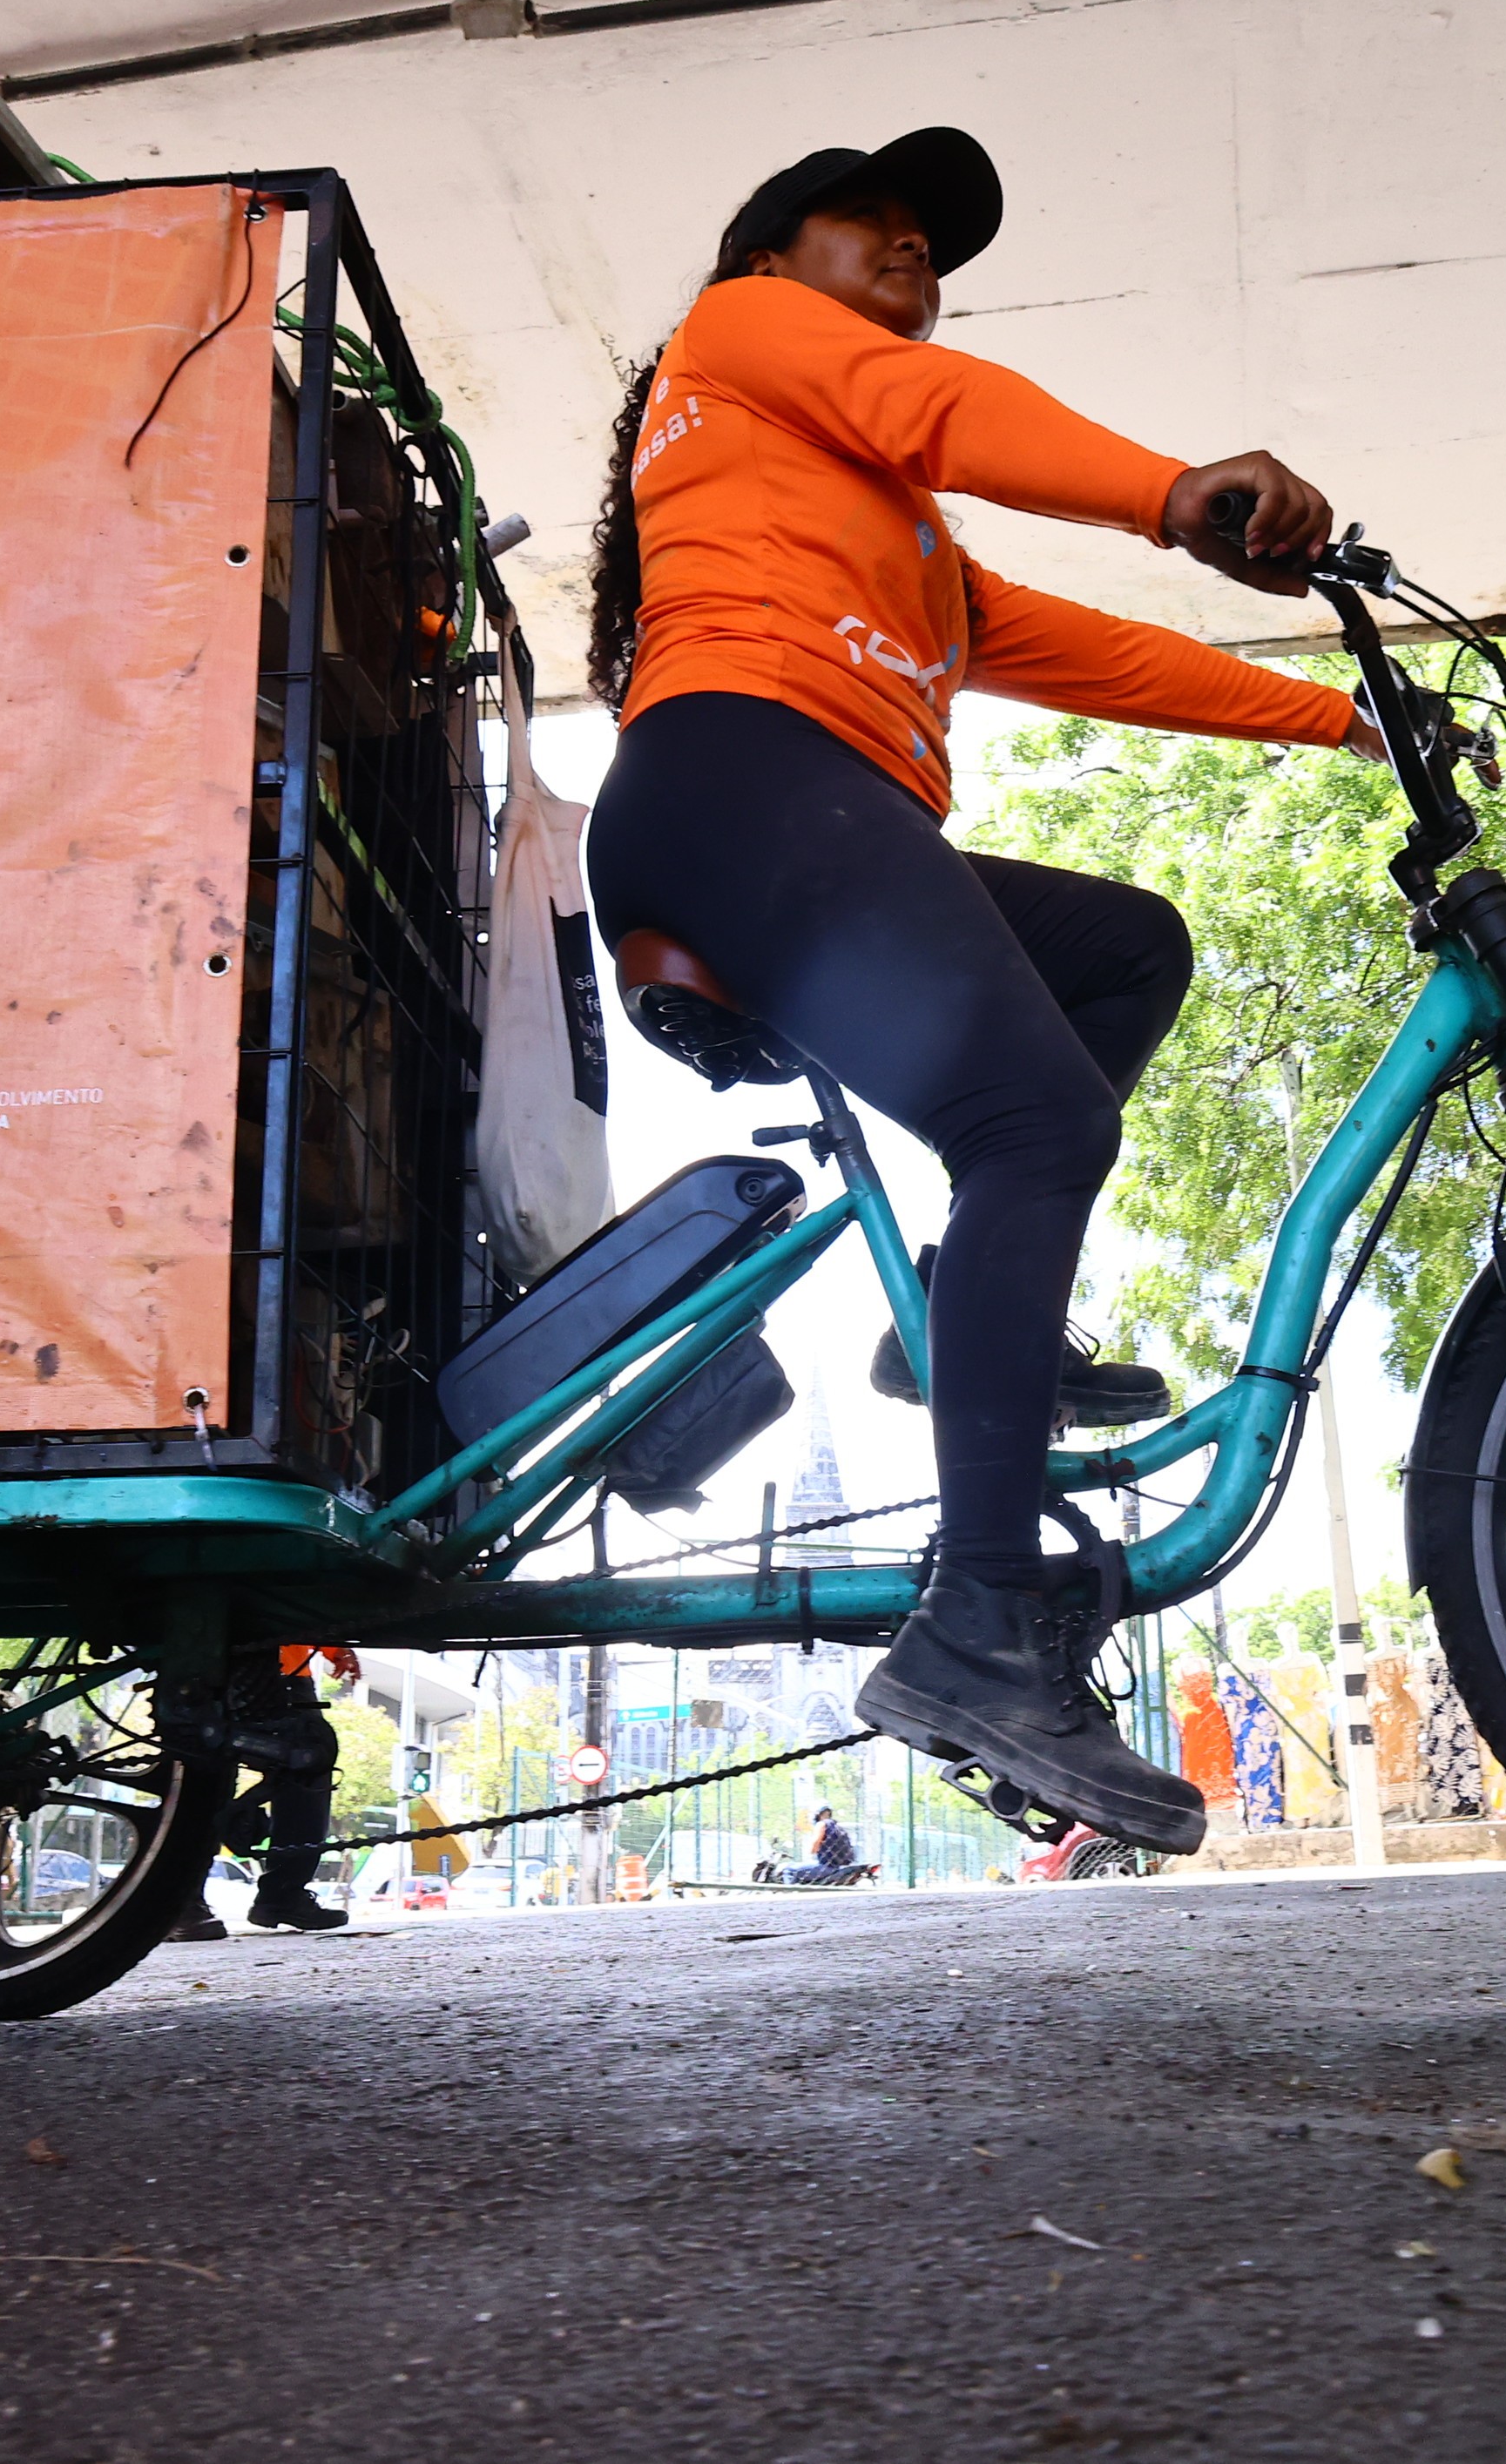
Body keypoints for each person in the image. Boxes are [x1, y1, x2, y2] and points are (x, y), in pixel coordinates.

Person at [581, 125, 1374, 1857]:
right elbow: (953, 411)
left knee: (1129, 945)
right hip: (736, 783)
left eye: (935, 246)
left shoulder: (903, 547)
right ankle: (979, 1627)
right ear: (769, 249)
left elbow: (1098, 652)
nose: (914, 255)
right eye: (873, 222)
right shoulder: (736, 335)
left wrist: (1352, 715)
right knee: (1038, 1118)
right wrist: (1175, 490)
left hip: (809, 824)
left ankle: (946, 1310)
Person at [170, 1643, 355, 1940]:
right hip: (224, 1659)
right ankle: (180, 1901)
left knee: (307, 1758)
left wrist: (335, 1649)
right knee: (202, 1771)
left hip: (282, 1665)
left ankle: (282, 1895)